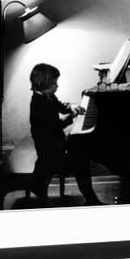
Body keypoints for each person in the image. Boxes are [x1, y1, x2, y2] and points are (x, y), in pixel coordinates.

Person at [29, 63, 102, 206]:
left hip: (53, 146)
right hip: (50, 154)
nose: (57, 86)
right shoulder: (39, 104)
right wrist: (72, 117)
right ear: (44, 82)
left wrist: (71, 106)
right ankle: (91, 199)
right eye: (54, 82)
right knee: (80, 161)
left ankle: (90, 198)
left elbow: (61, 106)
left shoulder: (46, 96)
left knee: (80, 152)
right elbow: (55, 126)